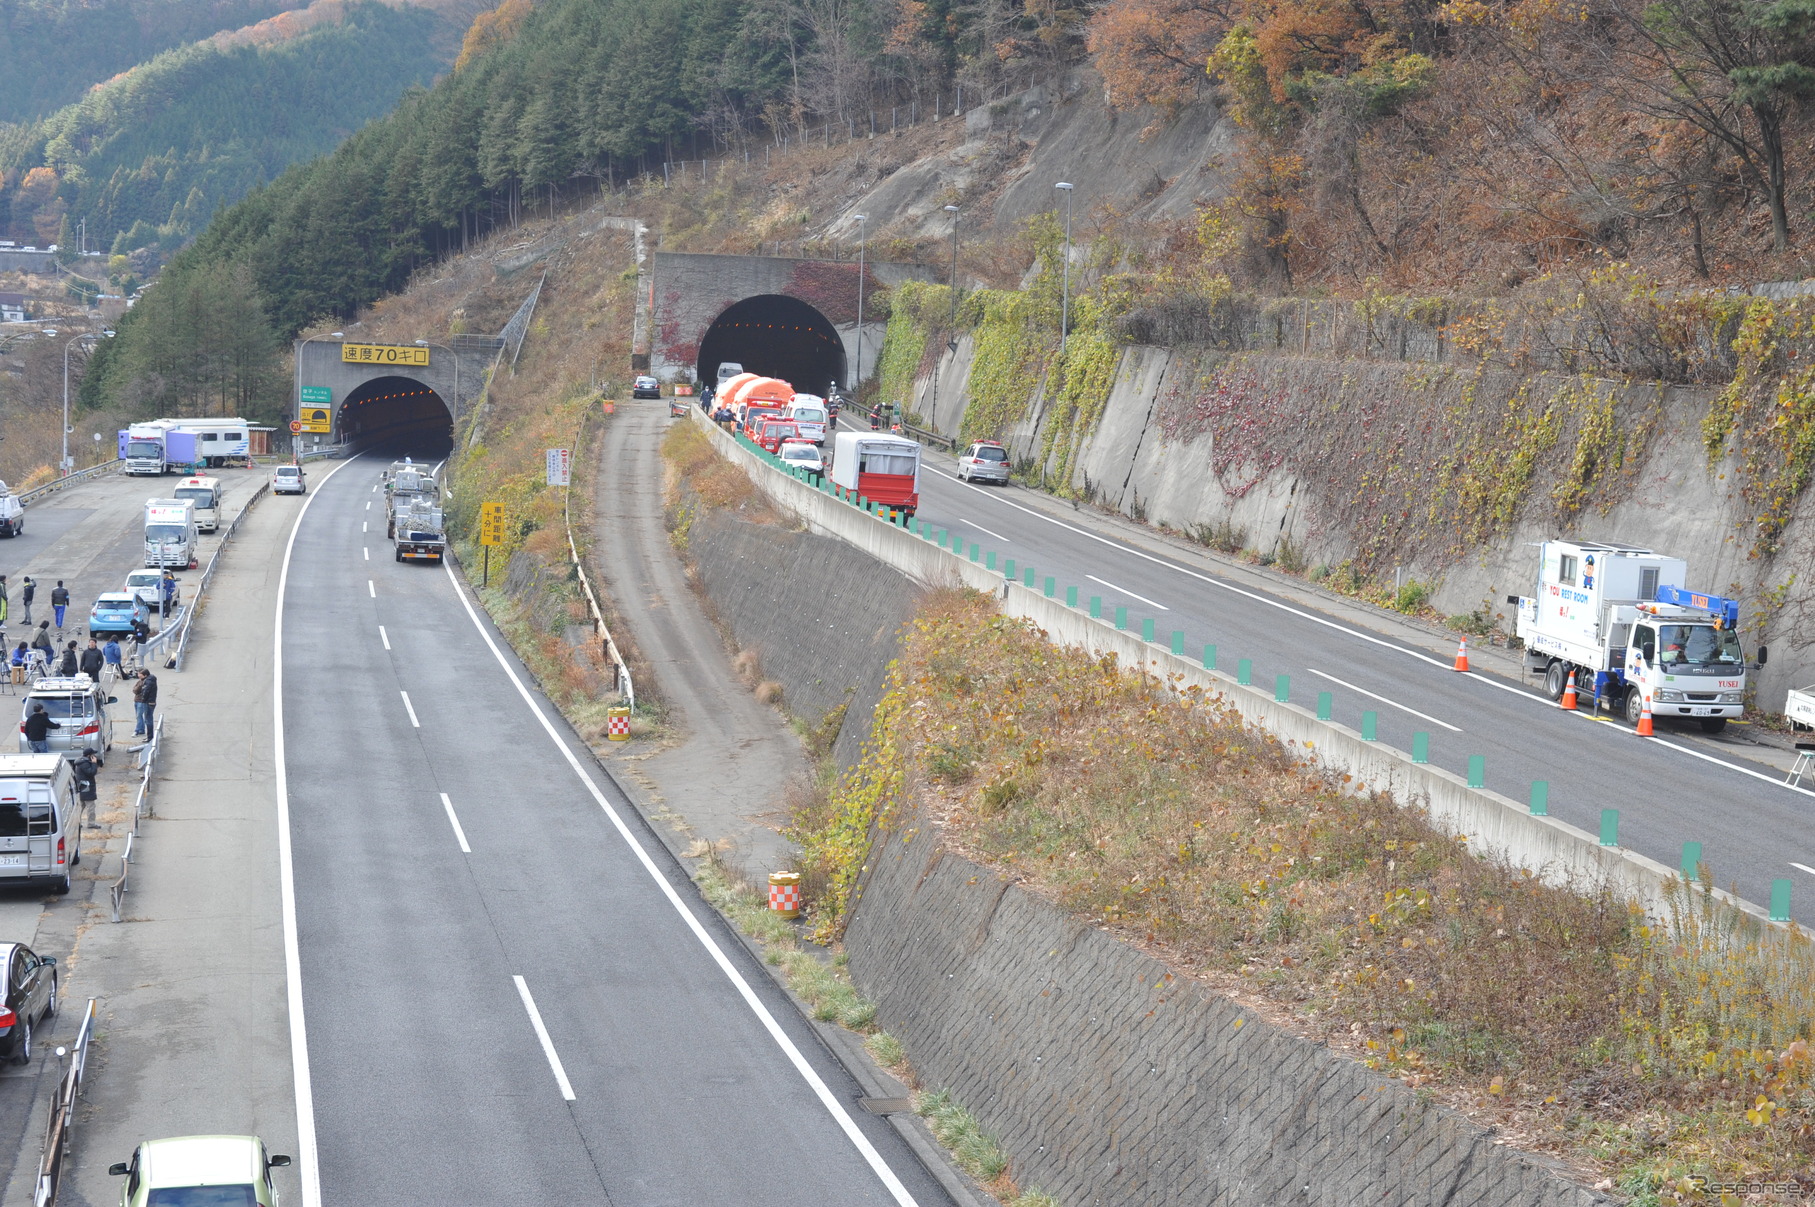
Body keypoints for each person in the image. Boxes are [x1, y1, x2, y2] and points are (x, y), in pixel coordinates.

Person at [133, 668, 157, 737]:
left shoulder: (147, 682)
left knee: (146, 719)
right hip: (145, 701)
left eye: (139, 674)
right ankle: (142, 730)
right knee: (143, 717)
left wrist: (143, 700)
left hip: (146, 702)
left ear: (145, 675)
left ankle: (148, 735)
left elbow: (144, 692)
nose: (138, 675)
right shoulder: (146, 681)